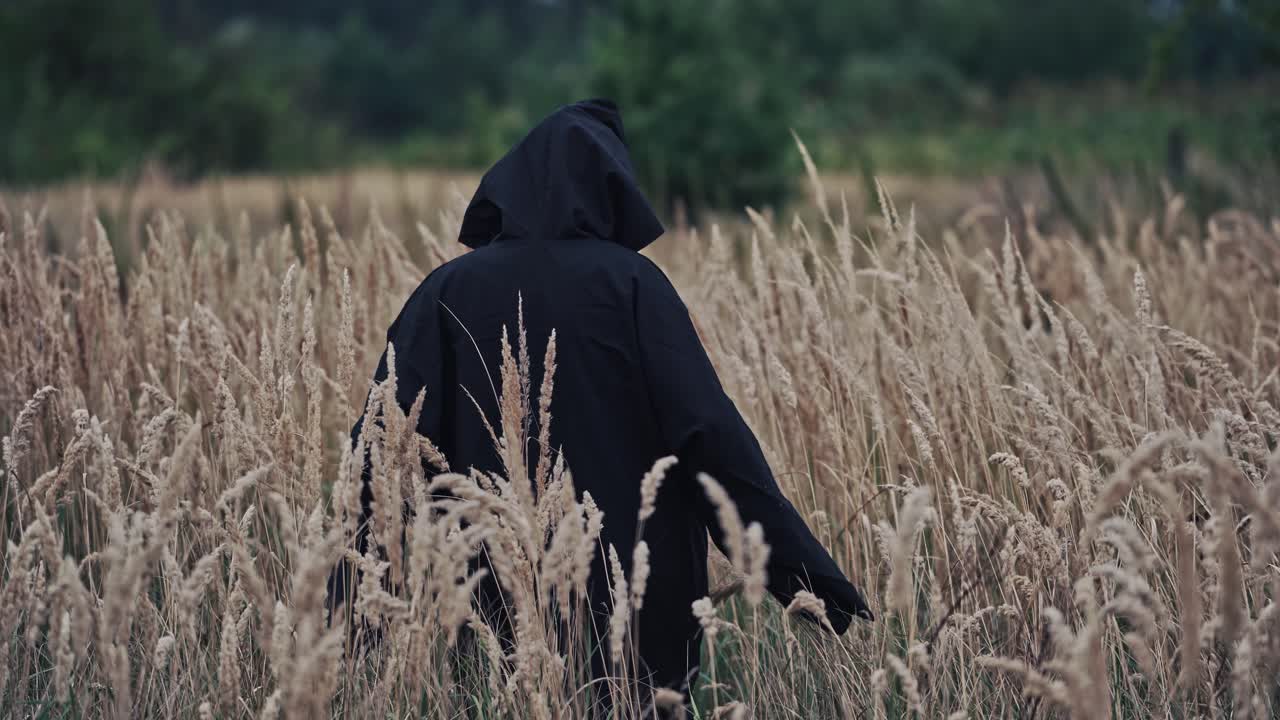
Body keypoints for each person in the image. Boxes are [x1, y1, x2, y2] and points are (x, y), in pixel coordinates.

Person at [331, 99, 871, 698]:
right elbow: (711, 441)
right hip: (635, 608)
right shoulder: (634, 286)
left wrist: (346, 614)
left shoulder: (446, 291)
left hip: (492, 602)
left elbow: (376, 456)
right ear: (614, 188)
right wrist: (810, 579)